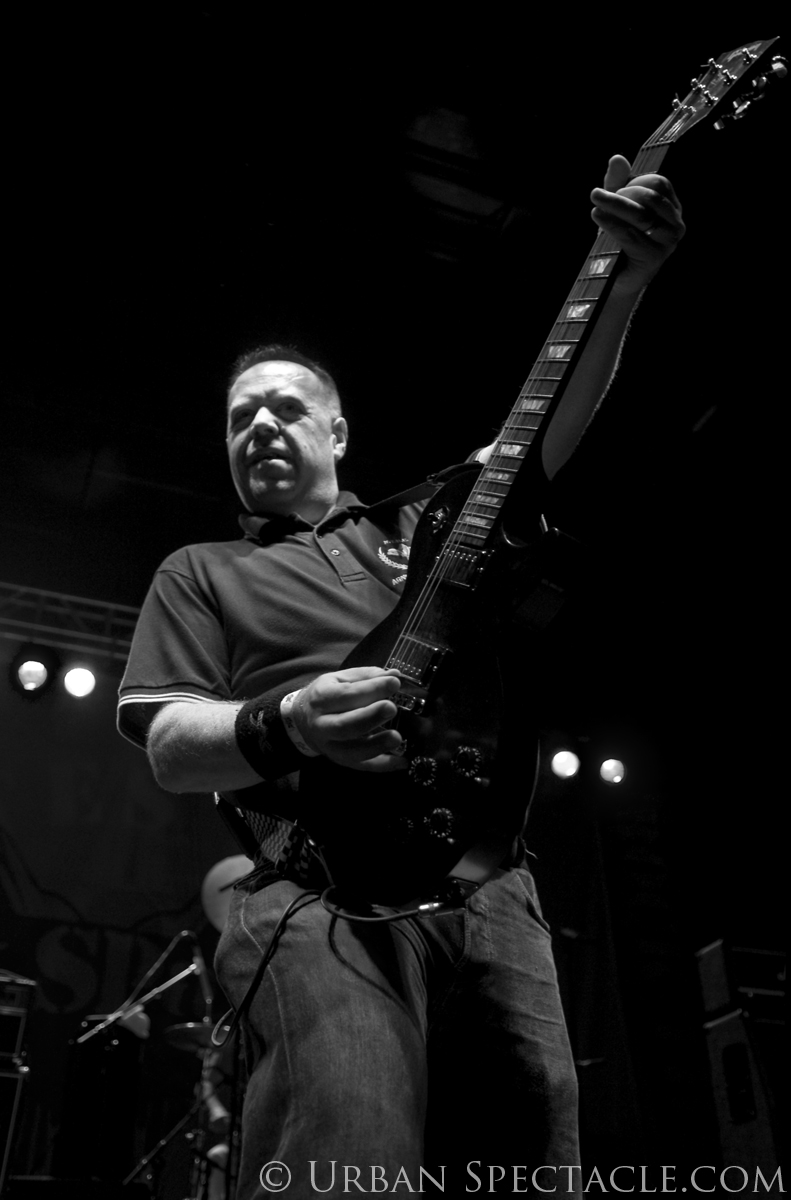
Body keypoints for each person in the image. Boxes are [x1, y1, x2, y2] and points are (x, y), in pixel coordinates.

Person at [118, 156, 684, 1197]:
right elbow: (169, 746)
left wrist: (623, 281)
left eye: (283, 409)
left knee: (531, 1170)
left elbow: (537, 435)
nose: (258, 427)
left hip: (488, 883)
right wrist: (291, 720)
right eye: (239, 419)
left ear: (337, 431)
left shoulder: (422, 525)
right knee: (351, 1160)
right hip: (314, 891)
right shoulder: (200, 569)